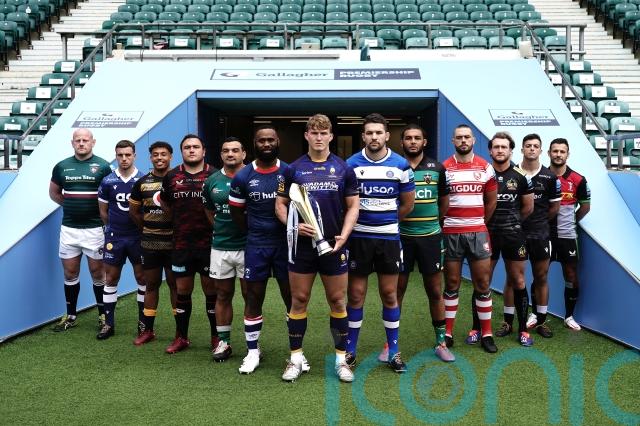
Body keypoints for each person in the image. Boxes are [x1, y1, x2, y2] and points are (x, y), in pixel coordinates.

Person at [275, 114, 360, 382]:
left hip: (333, 246)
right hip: (302, 248)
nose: (319, 137)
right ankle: (295, 359)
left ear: (331, 136)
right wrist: (293, 225)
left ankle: (341, 361)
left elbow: (353, 206)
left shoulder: (344, 168)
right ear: (307, 136)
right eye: (314, 133)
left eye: (324, 133)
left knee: (337, 300)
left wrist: (344, 235)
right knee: (299, 299)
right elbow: (280, 205)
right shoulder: (293, 169)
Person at [345, 113, 415, 373]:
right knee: (355, 295)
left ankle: (393, 352)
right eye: (369, 133)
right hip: (359, 239)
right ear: (363, 136)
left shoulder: (401, 165)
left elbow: (408, 204)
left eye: (378, 133)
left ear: (386, 135)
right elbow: (345, 204)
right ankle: (350, 351)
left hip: (388, 240)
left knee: (389, 294)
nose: (374, 137)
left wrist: (387, 222)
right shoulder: (351, 164)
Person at [229, 125, 294, 374]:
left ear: (278, 142)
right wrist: (255, 231)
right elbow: (237, 213)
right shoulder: (243, 176)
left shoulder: (289, 171)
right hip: (256, 245)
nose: (266, 144)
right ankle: (253, 352)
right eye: (261, 140)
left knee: (292, 298)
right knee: (253, 297)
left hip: (285, 245)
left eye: (270, 140)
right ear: (254, 144)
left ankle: (296, 353)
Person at [394, 124, 455, 363]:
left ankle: (441, 342)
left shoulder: (437, 168)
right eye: (408, 138)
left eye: (417, 138)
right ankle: (391, 344)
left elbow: (444, 203)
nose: (412, 141)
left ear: (424, 142)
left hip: (430, 238)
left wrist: (433, 224)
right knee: (396, 291)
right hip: (401, 238)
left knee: (435, 291)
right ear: (402, 142)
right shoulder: (395, 167)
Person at [442, 124, 498, 353]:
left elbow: (491, 201)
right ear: (453, 141)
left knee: (482, 283)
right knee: (452, 283)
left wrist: (478, 222)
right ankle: (447, 333)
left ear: (473, 140)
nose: (463, 140)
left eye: (467, 137)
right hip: (451, 232)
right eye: (459, 137)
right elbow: (440, 202)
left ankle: (487, 333)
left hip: (478, 232)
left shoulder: (485, 167)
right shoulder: (444, 168)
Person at [49, 128, 112, 332]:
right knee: (70, 273)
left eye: (85, 140)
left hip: (95, 229)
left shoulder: (103, 166)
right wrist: (71, 205)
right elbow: (54, 193)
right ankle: (71, 316)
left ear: (93, 142)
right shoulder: (61, 166)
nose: (82, 143)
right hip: (69, 229)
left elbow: (110, 195)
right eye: (78, 140)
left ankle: (103, 315)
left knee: (97, 273)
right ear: (72, 143)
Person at [160, 134, 218, 354]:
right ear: (182, 151)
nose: (191, 150)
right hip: (182, 244)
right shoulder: (171, 176)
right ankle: (181, 337)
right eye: (187, 147)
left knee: (211, 291)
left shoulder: (214, 175)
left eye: (195, 147)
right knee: (182, 291)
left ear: (204, 151)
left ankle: (216, 337)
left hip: (209, 245)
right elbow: (165, 204)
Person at [505, 134, 561, 338]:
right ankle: (507, 322)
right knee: (513, 278)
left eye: (535, 146)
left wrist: (539, 223)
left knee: (541, 277)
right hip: (515, 234)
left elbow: (554, 208)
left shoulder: (550, 177)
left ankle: (541, 321)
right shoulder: (512, 173)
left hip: (540, 234)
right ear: (522, 149)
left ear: (540, 150)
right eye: (528, 145)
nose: (531, 149)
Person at [484, 133, 534, 347]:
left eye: (504, 147)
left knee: (518, 281)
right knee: (483, 282)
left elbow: (528, 208)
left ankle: (522, 329)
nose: (500, 150)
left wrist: (512, 223)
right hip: (487, 235)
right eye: (496, 147)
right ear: (490, 150)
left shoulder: (522, 176)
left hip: (513, 236)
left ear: (511, 151)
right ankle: (480, 329)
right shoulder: (483, 173)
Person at [129, 141, 178, 345]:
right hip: (150, 242)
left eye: (163, 154)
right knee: (151, 285)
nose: (159, 158)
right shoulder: (142, 183)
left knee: (176, 286)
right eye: (155, 154)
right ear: (150, 158)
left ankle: (180, 332)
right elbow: (134, 212)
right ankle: (148, 330)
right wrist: (147, 229)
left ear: (170, 156)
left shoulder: (178, 179)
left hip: (174, 242)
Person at [203, 137, 247, 362]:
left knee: (251, 296)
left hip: (249, 247)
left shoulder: (252, 176)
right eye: (226, 150)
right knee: (222, 294)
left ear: (243, 154)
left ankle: (253, 344)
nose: (230, 154)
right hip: (221, 247)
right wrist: (221, 230)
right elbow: (210, 211)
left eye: (235, 150)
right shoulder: (212, 181)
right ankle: (224, 342)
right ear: (221, 155)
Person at [96, 140, 145, 339]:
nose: (124, 159)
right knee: (111, 279)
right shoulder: (107, 181)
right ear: (116, 156)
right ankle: (108, 324)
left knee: (142, 279)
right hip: (115, 238)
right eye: (120, 155)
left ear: (134, 155)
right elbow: (103, 212)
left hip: (138, 237)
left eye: (128, 155)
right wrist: (113, 229)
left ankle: (143, 324)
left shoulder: (143, 179)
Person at [548, 138, 591, 331]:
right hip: (544, 235)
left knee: (571, 275)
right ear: (549, 153)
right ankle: (536, 314)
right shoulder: (541, 176)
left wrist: (570, 221)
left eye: (562, 151)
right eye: (555, 151)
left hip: (567, 236)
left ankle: (569, 316)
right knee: (540, 274)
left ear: (567, 154)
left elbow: (585, 207)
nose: (558, 154)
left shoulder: (578, 179)